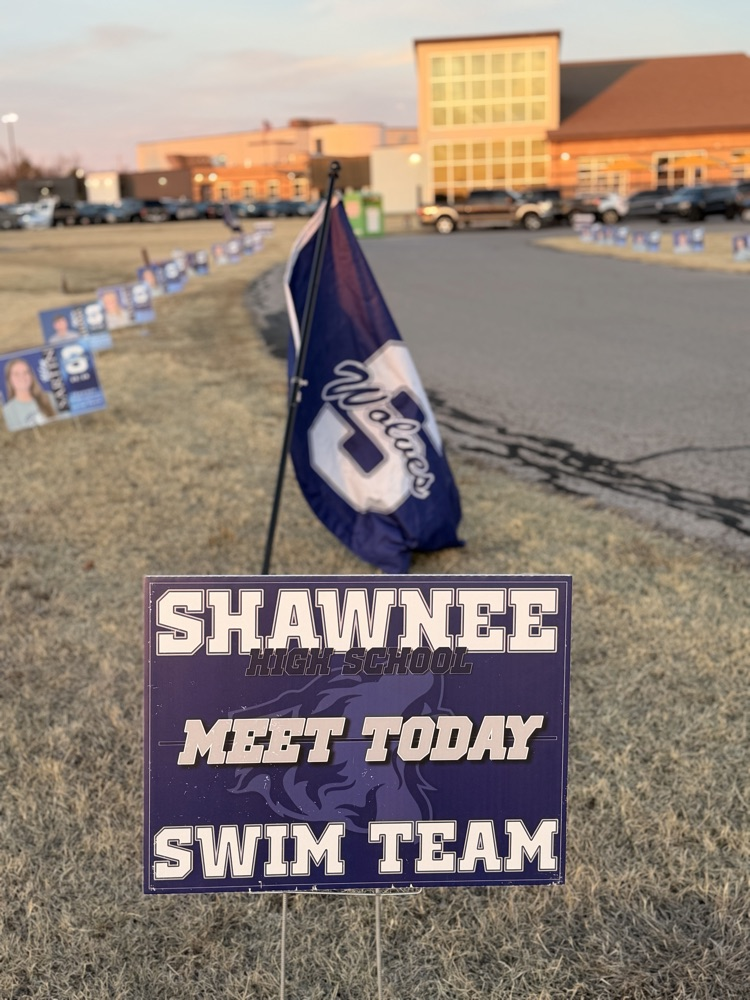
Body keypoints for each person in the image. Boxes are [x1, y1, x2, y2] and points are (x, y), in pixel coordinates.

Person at [2, 358, 57, 431]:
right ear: (9, 380)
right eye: (16, 374)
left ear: (32, 376)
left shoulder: (51, 397)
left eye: (26, 372)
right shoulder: (7, 411)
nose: (22, 377)